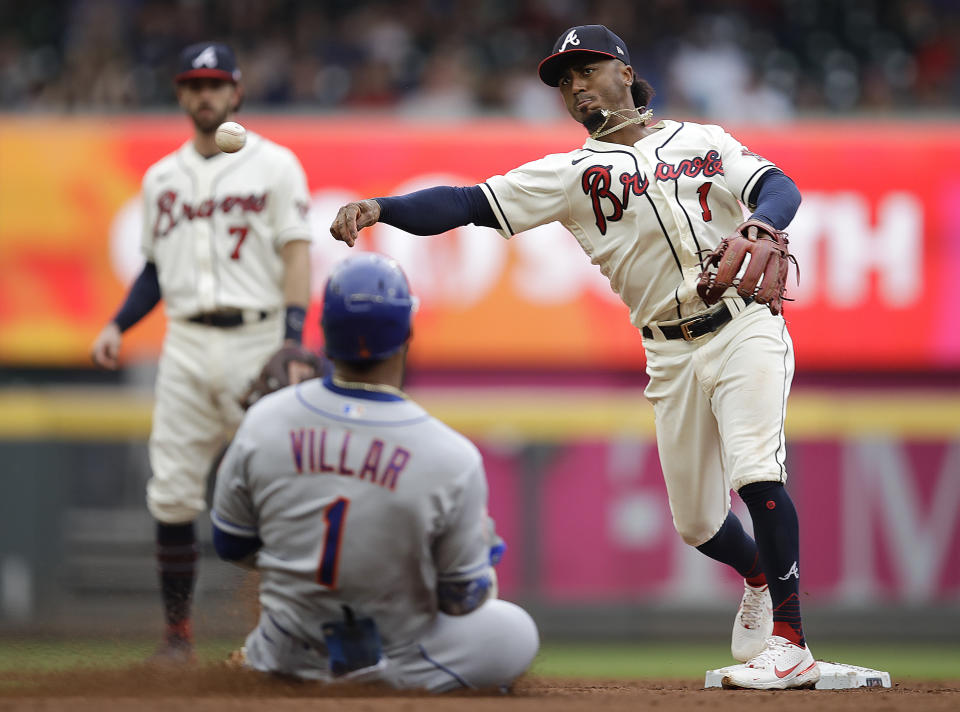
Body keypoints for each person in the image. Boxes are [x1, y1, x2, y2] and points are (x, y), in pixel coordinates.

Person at [329, 25, 818, 691]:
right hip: (667, 350)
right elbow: (466, 202)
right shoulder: (567, 175)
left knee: (757, 471)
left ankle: (791, 640)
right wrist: (383, 206)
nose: (576, 85)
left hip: (743, 325)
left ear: (623, 69)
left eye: (586, 68)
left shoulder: (702, 141)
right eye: (565, 80)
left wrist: (763, 223)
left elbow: (778, 186)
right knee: (698, 523)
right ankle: (757, 576)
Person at [210, 253, 539, 691]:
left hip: (288, 646)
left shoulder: (266, 418)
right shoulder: (450, 455)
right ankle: (376, 678)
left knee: (283, 626)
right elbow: (463, 599)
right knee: (514, 631)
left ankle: (266, 659)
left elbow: (230, 543)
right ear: (408, 333)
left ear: (324, 332)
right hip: (395, 651)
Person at [90, 42, 315, 663]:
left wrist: (293, 339)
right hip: (185, 343)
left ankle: (288, 632)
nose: (205, 94)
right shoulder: (162, 177)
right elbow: (155, 271)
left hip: (258, 338)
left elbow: (298, 252)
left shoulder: (275, 165)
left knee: (283, 491)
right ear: (180, 94)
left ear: (237, 92)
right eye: (194, 84)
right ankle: (177, 638)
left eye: (216, 84)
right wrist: (118, 323)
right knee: (171, 493)